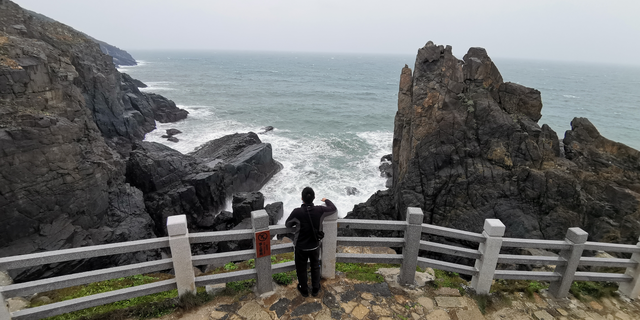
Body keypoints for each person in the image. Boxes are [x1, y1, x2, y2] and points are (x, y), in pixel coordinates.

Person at [285, 187, 336, 297]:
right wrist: (326, 200)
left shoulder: (297, 212)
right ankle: (315, 289)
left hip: (301, 247)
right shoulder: (320, 210)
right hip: (314, 246)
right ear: (314, 198)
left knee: (301, 268)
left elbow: (288, 224)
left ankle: (304, 290)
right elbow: (333, 208)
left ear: (302, 198)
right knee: (315, 266)